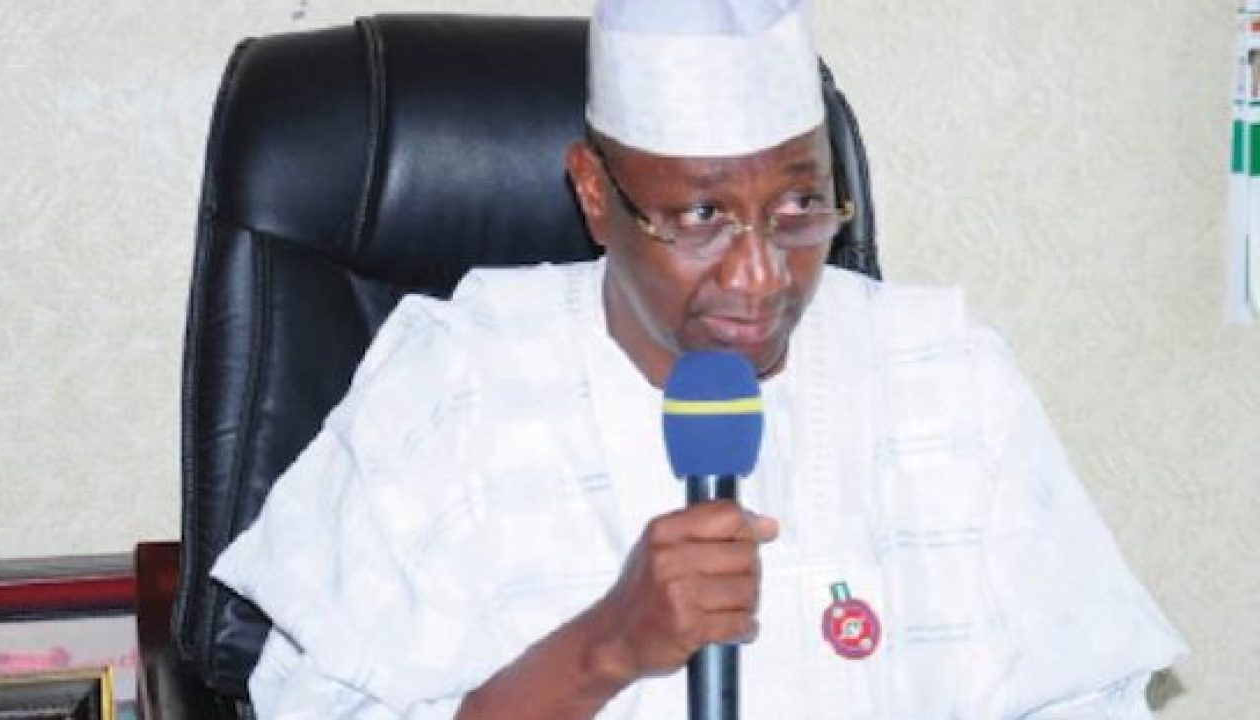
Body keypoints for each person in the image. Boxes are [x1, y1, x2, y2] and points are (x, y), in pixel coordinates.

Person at [212, 1, 1186, 718]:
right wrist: (606, 647)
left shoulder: (941, 377)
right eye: (701, 217)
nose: (762, 275)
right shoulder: (453, 386)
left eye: (799, 208)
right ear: (594, 194)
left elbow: (1083, 698)